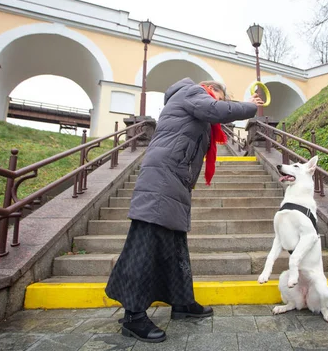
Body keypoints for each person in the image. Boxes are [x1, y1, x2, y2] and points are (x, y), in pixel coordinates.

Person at [105, 77, 264, 343]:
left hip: (174, 180)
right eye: (220, 97)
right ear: (209, 88)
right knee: (145, 243)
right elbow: (216, 111)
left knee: (175, 245)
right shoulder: (191, 92)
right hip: (161, 178)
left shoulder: (194, 105)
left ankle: (181, 302)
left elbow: (213, 116)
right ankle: (133, 316)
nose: (219, 102)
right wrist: (248, 106)